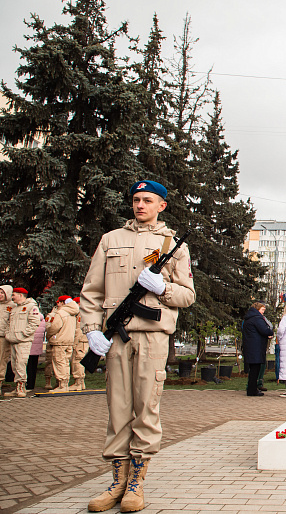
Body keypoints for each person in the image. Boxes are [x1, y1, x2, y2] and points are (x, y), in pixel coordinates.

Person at [80, 179, 195, 512]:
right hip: (116, 338)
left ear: (161, 205)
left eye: (147, 200)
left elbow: (187, 295)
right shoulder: (111, 240)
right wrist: (92, 331)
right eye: (136, 200)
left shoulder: (172, 244)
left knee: (146, 409)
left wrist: (162, 288)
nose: (140, 205)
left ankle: (135, 485)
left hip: (152, 338)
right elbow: (91, 292)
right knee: (118, 409)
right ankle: (116, 482)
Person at [0, 288, 41, 397]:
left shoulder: (31, 307)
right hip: (13, 339)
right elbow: (9, 323)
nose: (12, 297)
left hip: (23, 341)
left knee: (21, 363)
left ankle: (21, 387)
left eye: (14, 295)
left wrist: (23, 334)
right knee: (14, 364)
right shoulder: (15, 308)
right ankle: (17, 386)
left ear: (20, 295)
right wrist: (8, 334)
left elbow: (34, 323)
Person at [44, 296, 78, 393]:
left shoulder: (61, 313)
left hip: (60, 341)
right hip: (69, 341)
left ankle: (62, 385)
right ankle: (65, 383)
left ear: (63, 303)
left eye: (59, 302)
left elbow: (54, 327)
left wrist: (49, 335)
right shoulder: (72, 313)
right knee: (65, 363)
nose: (57, 304)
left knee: (59, 362)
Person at [242, 302, 273, 397]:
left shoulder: (248, 319)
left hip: (250, 346)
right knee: (255, 369)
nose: (263, 312)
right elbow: (265, 330)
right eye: (262, 310)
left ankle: (251, 388)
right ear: (258, 309)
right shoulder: (257, 319)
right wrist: (270, 332)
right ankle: (252, 390)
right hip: (256, 347)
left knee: (253, 369)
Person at [69, 297, 89, 391]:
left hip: (81, 340)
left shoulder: (82, 313)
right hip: (83, 340)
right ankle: (81, 383)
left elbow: (79, 330)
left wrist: (75, 342)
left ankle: (78, 383)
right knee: (78, 361)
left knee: (77, 361)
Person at [25, 311, 46, 391]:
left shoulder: (30, 319)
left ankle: (27, 384)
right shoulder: (42, 320)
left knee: (28, 366)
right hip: (37, 346)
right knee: (33, 366)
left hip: (29, 345)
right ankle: (31, 384)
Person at [0, 285, 15, 391]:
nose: (0, 295)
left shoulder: (13, 306)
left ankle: (0, 380)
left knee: (2, 359)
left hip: (3, 337)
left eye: (2, 293)